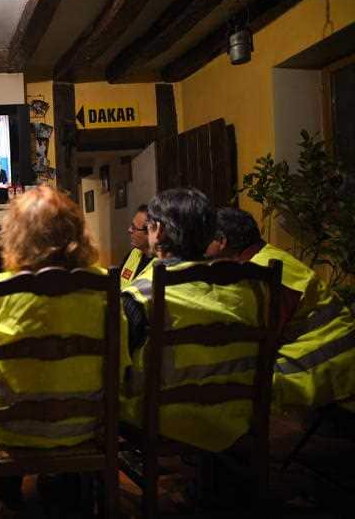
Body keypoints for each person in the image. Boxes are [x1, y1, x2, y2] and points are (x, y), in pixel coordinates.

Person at [0, 185, 129, 511]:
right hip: (84, 426)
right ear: (77, 232)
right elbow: (122, 364)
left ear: (15, 236)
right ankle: (67, 488)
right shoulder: (104, 288)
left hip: (12, 429)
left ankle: (8, 491)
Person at [121, 189, 264, 453]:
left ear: (159, 231)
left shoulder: (142, 296)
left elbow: (117, 366)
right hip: (235, 419)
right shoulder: (251, 286)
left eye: (149, 226)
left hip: (163, 421)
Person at [207, 207, 355, 410]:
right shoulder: (269, 257)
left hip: (324, 364)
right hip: (338, 354)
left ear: (222, 241)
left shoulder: (259, 273)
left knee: (233, 378)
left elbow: (264, 338)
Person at [119, 204, 153, 288]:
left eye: (134, 228)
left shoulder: (162, 265)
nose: (129, 230)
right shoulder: (133, 253)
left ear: (150, 232)